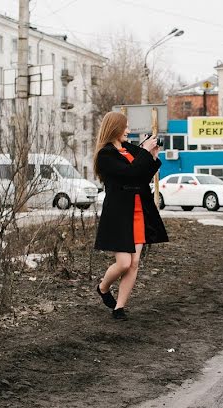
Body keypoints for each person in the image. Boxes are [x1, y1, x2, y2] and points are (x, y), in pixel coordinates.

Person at [93, 111, 168, 321]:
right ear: (115, 128)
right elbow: (129, 173)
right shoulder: (105, 155)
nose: (128, 130)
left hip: (139, 211)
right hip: (119, 213)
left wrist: (152, 156)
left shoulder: (130, 149)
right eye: (125, 127)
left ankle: (119, 307)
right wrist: (144, 152)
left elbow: (142, 176)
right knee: (124, 263)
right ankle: (103, 287)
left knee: (134, 263)